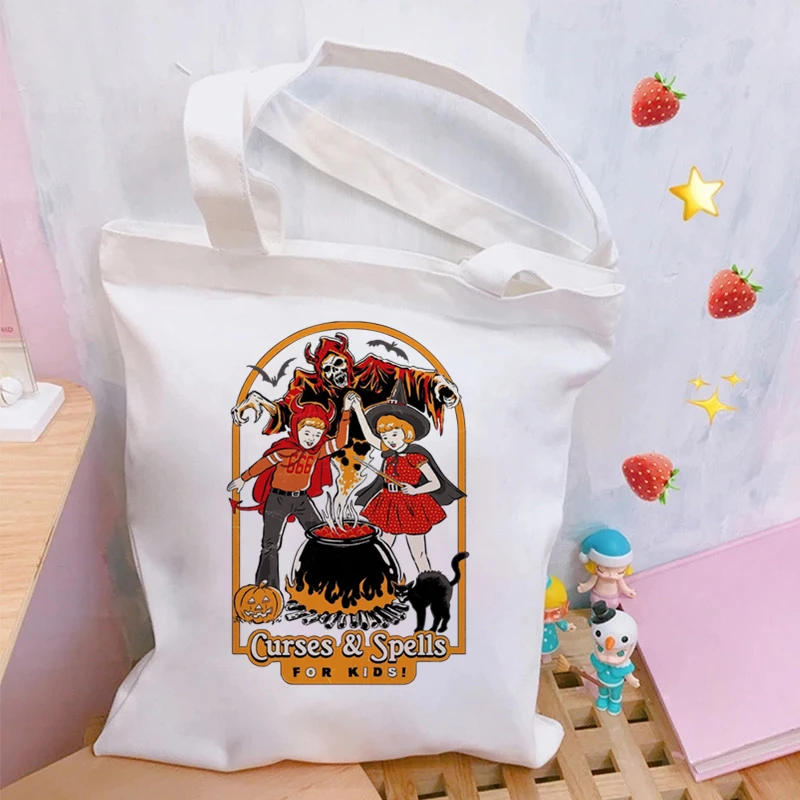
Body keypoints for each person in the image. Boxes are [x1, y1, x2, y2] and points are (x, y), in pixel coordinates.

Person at [227, 399, 353, 588]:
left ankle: (323, 581)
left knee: (322, 536)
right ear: (296, 428)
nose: (311, 438)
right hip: (277, 500)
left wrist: (347, 411)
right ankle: (267, 587)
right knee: (270, 545)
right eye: (307, 432)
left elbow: (341, 441)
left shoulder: (316, 452)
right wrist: (242, 479)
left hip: (302, 500)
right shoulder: (285, 450)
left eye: (317, 434)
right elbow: (263, 464)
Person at [350, 382, 464, 574]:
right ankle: (381, 582)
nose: (390, 440)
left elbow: (435, 483)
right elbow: (369, 437)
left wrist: (415, 489)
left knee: (418, 552)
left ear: (407, 432)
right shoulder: (388, 452)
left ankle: (427, 582)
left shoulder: (416, 456)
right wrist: (357, 410)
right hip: (389, 503)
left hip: (412, 505)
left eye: (394, 434)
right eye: (385, 437)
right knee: (382, 548)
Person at [576, 528, 636, 609]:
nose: (611, 576)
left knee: (612, 609)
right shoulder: (596, 576)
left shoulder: (618, 579)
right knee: (596, 609)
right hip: (597, 596)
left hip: (613, 598)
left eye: (620, 572)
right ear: (594, 566)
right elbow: (590, 583)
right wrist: (584, 587)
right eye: (602, 570)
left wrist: (628, 591)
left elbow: (623, 586)